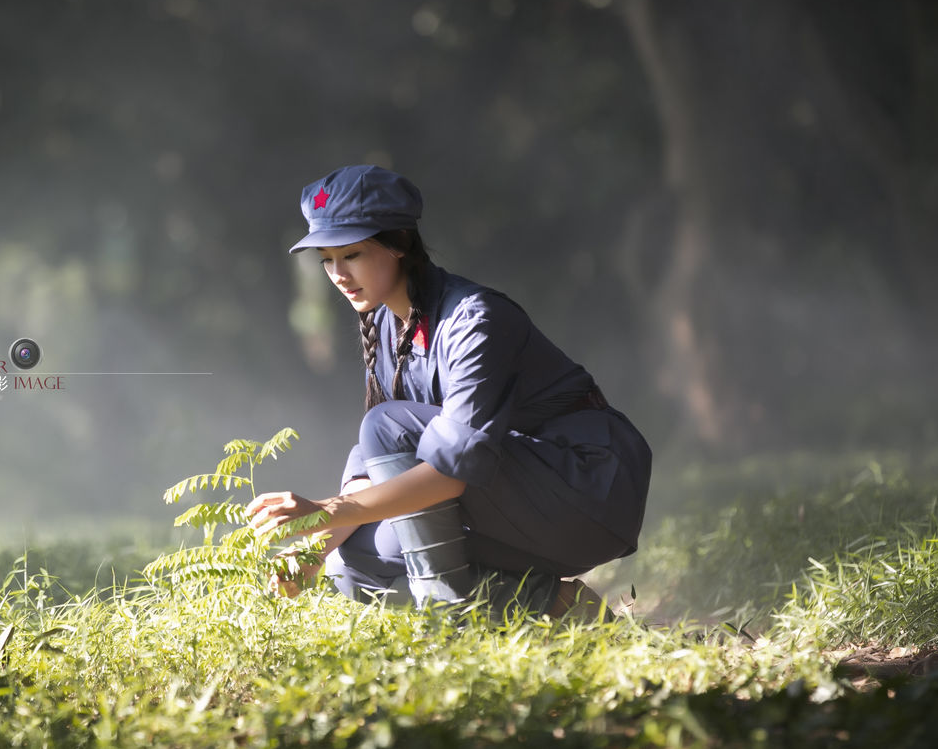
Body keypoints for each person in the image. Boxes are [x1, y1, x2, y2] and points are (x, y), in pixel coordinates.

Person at [245, 165, 652, 620]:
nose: (338, 274)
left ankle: (450, 616)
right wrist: (314, 549)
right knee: (353, 566)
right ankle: (561, 607)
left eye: (352, 254)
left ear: (399, 244)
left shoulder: (475, 320)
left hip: (585, 493)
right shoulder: (383, 324)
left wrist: (324, 510)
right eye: (326, 259)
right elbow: (373, 462)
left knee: (383, 424)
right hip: (512, 499)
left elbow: (447, 472)